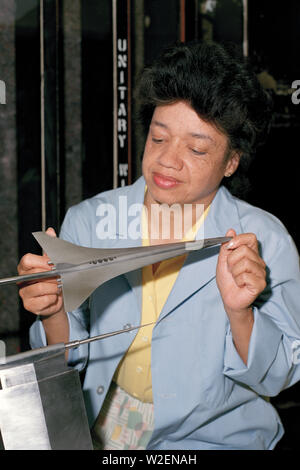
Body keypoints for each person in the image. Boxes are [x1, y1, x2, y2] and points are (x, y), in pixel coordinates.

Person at [18, 41, 300, 450]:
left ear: (231, 162)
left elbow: (278, 376)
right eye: (158, 138)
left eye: (197, 148)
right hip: (107, 432)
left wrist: (241, 314)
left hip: (216, 438)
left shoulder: (265, 240)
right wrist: (53, 310)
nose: (168, 160)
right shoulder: (90, 220)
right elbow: (65, 359)